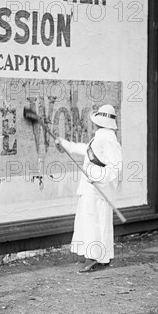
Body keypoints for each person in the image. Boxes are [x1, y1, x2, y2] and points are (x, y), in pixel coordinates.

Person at [56, 104, 123, 273]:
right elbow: (86, 151)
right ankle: (102, 257)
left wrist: (98, 178)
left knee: (93, 221)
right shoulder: (101, 137)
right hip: (91, 188)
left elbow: (115, 166)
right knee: (96, 221)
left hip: (96, 190)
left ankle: (93, 258)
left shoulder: (107, 139)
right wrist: (66, 144)